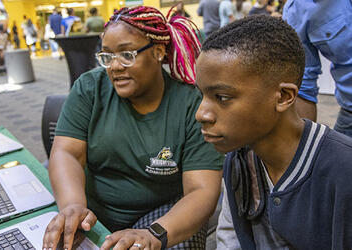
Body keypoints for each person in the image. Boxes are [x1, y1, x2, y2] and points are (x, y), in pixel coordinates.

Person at [42, 5, 223, 250]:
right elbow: (67, 153)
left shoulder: (191, 105)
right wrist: (73, 206)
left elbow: (201, 191)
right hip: (91, 209)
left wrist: (153, 234)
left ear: (158, 52)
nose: (114, 67)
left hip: (159, 214)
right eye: (106, 56)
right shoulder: (89, 88)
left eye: (127, 54)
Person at [195, 15, 352, 249]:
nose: (202, 114)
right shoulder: (238, 161)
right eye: (203, 95)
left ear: (284, 96)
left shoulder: (342, 171)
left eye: (223, 97)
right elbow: (230, 239)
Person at [283, 0, 352, 138]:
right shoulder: (297, 10)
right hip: (350, 111)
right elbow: (305, 83)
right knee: (334, 157)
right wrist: (305, 148)